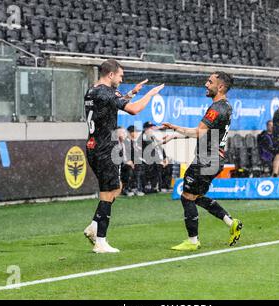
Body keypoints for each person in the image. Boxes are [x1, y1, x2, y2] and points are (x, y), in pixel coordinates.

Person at [83, 59, 164, 253]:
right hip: (105, 148)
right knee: (108, 193)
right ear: (110, 74)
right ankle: (100, 241)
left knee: (114, 187)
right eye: (120, 76)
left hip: (93, 145)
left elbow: (108, 105)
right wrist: (150, 94)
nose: (121, 79)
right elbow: (134, 110)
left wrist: (131, 94)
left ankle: (95, 225)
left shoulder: (93, 90)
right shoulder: (108, 92)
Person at [161, 72, 242, 251]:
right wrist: (175, 135)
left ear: (220, 87)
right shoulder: (227, 106)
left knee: (187, 197)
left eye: (210, 82)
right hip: (216, 158)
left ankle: (192, 241)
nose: (206, 84)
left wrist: (175, 128)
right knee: (197, 197)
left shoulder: (216, 109)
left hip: (206, 159)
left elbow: (199, 132)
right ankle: (231, 222)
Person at [126, 125, 145, 196]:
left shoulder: (135, 142)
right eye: (135, 132)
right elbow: (127, 153)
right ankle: (129, 188)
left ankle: (138, 187)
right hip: (128, 162)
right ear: (130, 133)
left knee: (141, 166)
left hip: (135, 161)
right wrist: (130, 161)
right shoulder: (127, 141)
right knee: (136, 168)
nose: (136, 133)